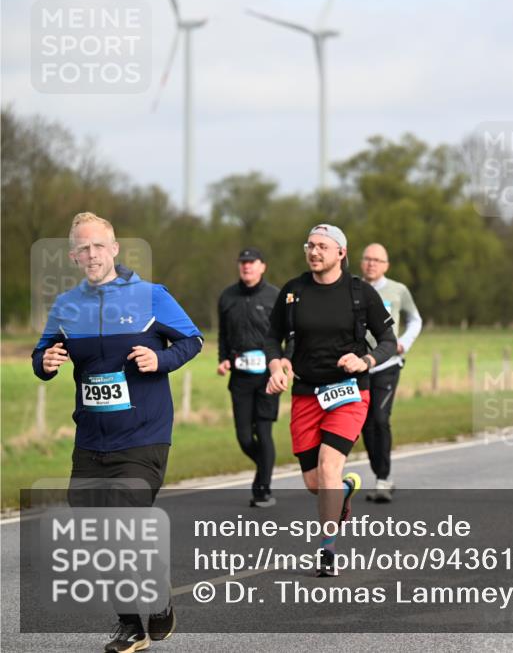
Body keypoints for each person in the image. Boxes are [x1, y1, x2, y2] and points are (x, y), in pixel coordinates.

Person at [32, 212, 203, 652]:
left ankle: (133, 627)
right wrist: (45, 363)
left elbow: (192, 339)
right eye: (82, 248)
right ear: (74, 255)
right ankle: (148, 608)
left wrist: (159, 360)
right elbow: (43, 351)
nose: (91, 254)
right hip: (91, 437)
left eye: (98, 246)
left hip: (143, 434)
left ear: (114, 250)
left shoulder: (150, 296)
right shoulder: (67, 305)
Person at [264, 224, 397, 576]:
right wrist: (277, 366)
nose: (314, 252)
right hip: (306, 393)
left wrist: (365, 361)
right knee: (314, 483)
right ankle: (347, 487)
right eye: (309, 245)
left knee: (327, 466)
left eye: (322, 246)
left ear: (341, 253)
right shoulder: (293, 292)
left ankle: (327, 551)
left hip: (349, 391)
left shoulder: (360, 293)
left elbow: (387, 341)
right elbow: (271, 338)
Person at [359, 243, 423, 503]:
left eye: (377, 260)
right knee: (364, 424)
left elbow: (415, 319)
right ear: (361, 262)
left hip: (387, 365)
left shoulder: (398, 290)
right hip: (360, 366)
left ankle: (383, 479)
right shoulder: (353, 289)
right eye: (367, 259)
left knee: (380, 418)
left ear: (386, 265)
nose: (371, 263)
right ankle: (381, 473)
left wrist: (403, 343)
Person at [217, 247, 281, 506]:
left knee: (263, 432)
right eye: (242, 262)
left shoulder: (275, 296)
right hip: (240, 376)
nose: (246, 266)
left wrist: (284, 361)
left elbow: (286, 335)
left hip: (267, 374)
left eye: (252, 262)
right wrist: (223, 359)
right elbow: (223, 334)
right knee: (244, 437)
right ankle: (265, 466)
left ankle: (262, 488)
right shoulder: (227, 296)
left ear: (262, 266)